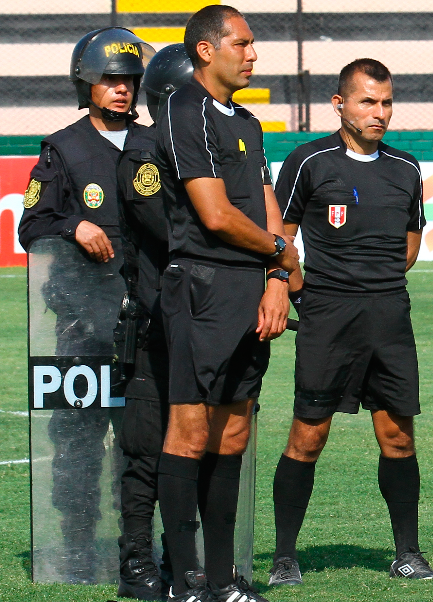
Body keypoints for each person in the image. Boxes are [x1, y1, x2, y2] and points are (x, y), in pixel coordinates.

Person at [267, 57, 433, 585]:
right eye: (368, 101)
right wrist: (298, 290)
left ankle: (407, 552)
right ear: (339, 104)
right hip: (328, 316)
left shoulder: (406, 167)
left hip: (389, 315)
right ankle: (284, 557)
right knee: (307, 436)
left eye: (386, 102)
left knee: (398, 437)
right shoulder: (308, 161)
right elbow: (281, 234)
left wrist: (376, 282)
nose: (379, 112)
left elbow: (410, 244)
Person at [152, 6, 299, 602]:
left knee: (234, 432)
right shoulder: (180, 110)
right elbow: (213, 215)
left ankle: (222, 580)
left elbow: (264, 198)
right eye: (243, 43)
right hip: (199, 287)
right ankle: (184, 579)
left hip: (249, 286)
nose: (254, 54)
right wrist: (283, 255)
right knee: (189, 433)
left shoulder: (248, 121)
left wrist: (274, 277)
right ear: (207, 52)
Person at [19, 26, 153, 585]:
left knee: (141, 442)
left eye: (128, 80)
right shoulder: (63, 148)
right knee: (76, 442)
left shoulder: (157, 145)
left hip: (149, 322)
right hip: (82, 321)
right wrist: (74, 224)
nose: (120, 89)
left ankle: (138, 551)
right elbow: (31, 226)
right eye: (108, 80)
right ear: (86, 84)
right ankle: (74, 548)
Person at [114, 42, 194, 600]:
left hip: (205, 327)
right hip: (156, 328)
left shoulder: (216, 149)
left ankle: (182, 562)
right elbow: (176, 230)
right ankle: (138, 566)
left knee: (197, 453)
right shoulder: (143, 157)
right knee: (145, 454)